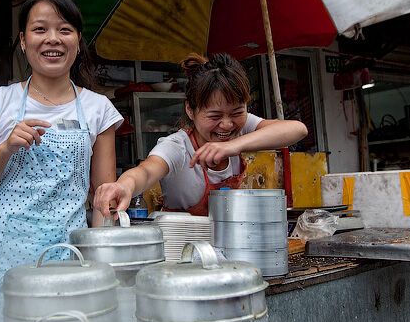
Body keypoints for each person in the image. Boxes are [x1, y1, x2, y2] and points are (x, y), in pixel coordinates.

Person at [0, 0, 122, 322]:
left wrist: (101, 265)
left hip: (65, 255)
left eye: (64, 30)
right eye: (40, 29)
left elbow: (103, 198)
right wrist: (5, 149)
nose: (52, 40)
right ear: (23, 40)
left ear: (78, 40)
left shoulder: (98, 109)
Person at [94, 53, 308, 219]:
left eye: (236, 112)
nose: (226, 124)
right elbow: (145, 172)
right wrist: (123, 186)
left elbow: (297, 129)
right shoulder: (177, 146)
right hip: (182, 251)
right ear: (190, 110)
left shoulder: (240, 129)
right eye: (214, 115)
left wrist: (233, 146)